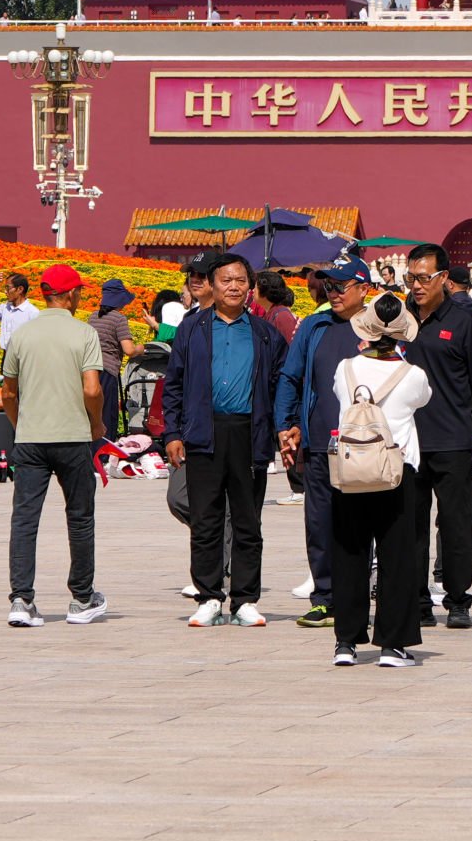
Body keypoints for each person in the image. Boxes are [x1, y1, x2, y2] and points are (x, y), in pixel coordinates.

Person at [160, 255, 284, 627]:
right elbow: (174, 385)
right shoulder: (192, 329)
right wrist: (172, 433)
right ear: (211, 285)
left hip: (249, 432)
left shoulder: (265, 334)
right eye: (226, 280)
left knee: (248, 520)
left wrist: (284, 429)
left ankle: (245, 599)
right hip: (203, 433)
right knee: (206, 519)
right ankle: (209, 596)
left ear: (251, 286)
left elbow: (281, 386)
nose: (234, 286)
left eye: (240, 280)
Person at [322, 290, 436, 666]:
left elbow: (340, 397)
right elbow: (422, 401)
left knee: (350, 553)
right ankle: (392, 643)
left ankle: (346, 642)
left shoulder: (345, 369)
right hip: (395, 472)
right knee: (397, 557)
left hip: (352, 471)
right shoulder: (413, 375)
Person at [395, 245, 472, 626]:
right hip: (405, 442)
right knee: (409, 526)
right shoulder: (397, 317)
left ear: (443, 278)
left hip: (453, 440)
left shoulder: (462, 320)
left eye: (425, 278)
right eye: (411, 278)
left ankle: (458, 600)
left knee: (456, 524)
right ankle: (418, 601)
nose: (417, 285)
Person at [1, 263, 109, 627]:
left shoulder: (23, 334)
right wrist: (96, 424)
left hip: (31, 438)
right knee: (79, 517)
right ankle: (81, 597)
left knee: (25, 519)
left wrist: (21, 425)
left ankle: (21, 599)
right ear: (72, 294)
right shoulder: (84, 333)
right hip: (73, 436)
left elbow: (9, 391)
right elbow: (92, 388)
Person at [274, 265, 376, 623]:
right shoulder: (315, 328)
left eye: (340, 286)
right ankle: (324, 596)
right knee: (319, 522)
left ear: (363, 289)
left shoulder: (379, 328)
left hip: (366, 445)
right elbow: (290, 375)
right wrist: (285, 425)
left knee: (359, 524)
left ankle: (355, 597)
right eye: (328, 286)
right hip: (320, 444)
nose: (332, 292)